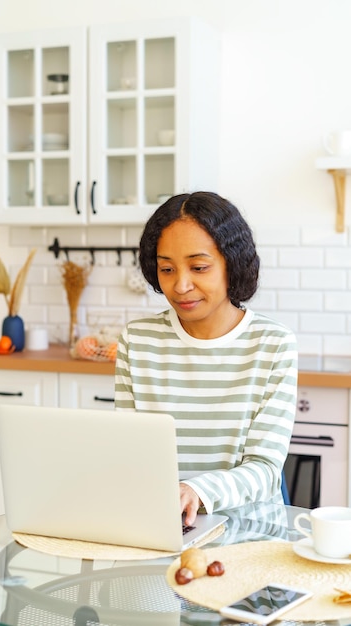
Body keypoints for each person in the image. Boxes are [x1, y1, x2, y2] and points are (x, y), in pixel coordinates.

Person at [115, 191, 298, 525]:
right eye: (166, 269)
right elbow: (129, 452)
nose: (181, 285)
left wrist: (196, 490)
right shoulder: (138, 340)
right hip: (162, 528)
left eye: (198, 267)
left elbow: (266, 470)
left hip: (248, 533)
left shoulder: (272, 344)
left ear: (233, 262)